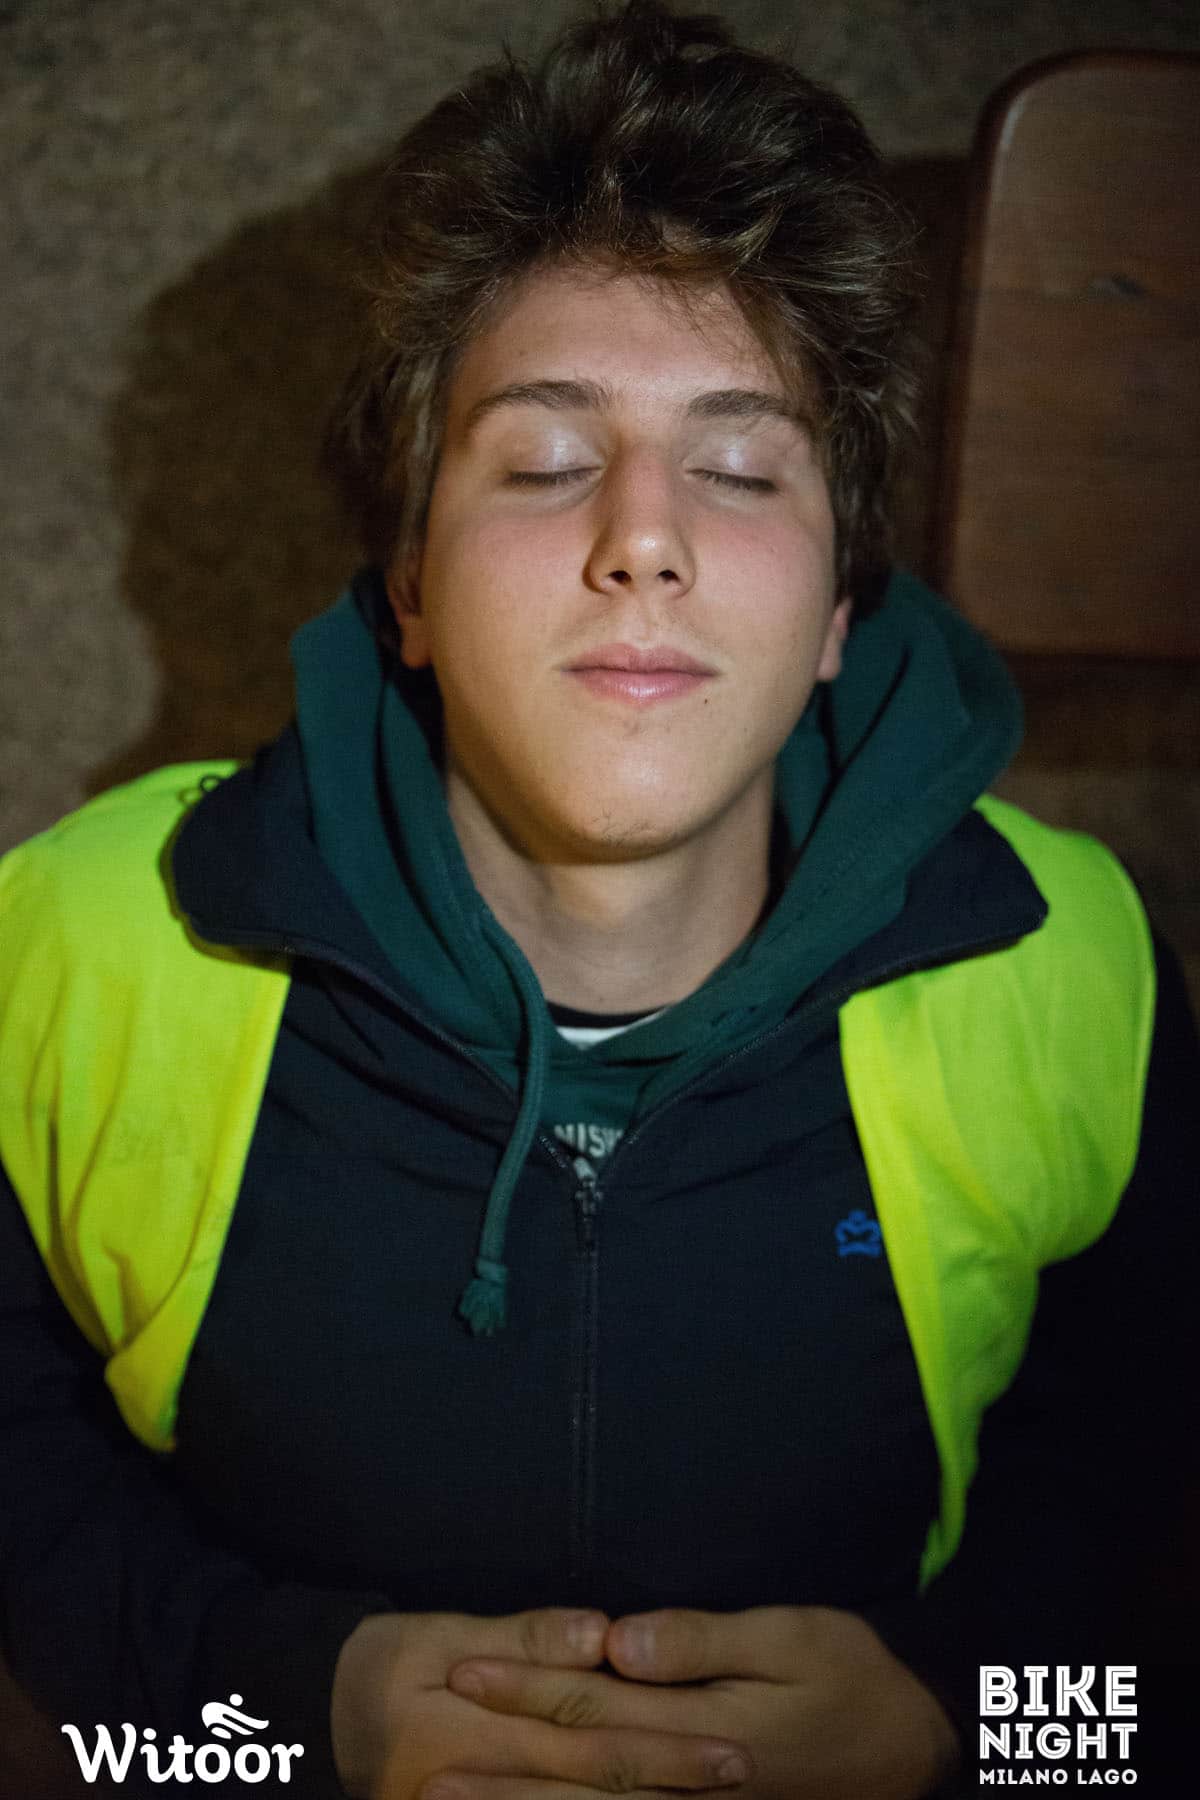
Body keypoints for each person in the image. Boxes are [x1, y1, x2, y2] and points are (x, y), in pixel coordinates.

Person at [1, 3, 1196, 1797]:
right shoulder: (79, 948)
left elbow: (1144, 1563)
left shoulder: (1073, 969)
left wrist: (974, 1734)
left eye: (741, 466)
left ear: (840, 611)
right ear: (409, 583)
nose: (644, 535)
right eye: (547, 460)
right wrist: (272, 1725)